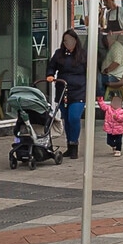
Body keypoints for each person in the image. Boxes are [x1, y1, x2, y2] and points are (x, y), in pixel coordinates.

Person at [45, 28, 89, 159]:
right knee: (66, 119)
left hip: (79, 91)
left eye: (70, 40)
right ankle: (69, 146)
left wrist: (97, 92)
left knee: (74, 117)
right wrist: (50, 75)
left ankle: (74, 144)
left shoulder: (83, 54)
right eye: (65, 41)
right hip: (63, 90)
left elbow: (91, 72)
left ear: (76, 41)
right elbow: (51, 66)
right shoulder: (59, 54)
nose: (68, 43)